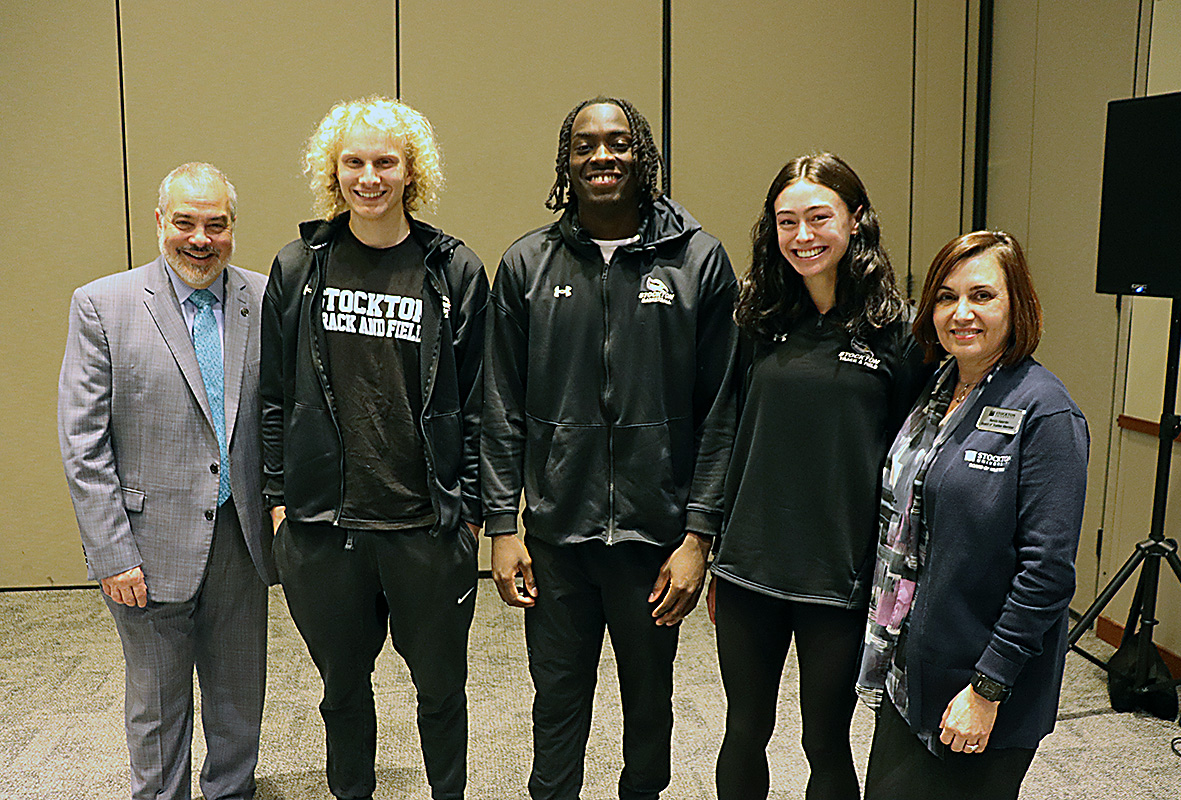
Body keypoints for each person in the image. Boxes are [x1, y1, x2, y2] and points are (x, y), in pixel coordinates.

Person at [483, 96, 738, 800]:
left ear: (643, 155)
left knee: (649, 708)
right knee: (556, 706)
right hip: (558, 538)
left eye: (619, 143)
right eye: (586, 145)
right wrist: (503, 526)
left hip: (655, 542)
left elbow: (721, 411)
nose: (603, 156)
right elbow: (499, 408)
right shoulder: (527, 265)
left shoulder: (698, 262)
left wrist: (698, 537)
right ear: (566, 162)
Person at [261, 96, 487, 800]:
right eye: (353, 162)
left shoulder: (452, 269)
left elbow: (481, 403)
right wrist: (278, 502)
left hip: (426, 525)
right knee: (342, 693)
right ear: (333, 172)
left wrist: (472, 512)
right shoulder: (299, 266)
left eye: (384, 162)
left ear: (410, 171)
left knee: (442, 693)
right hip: (327, 529)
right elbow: (272, 394)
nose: (369, 176)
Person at [706, 154, 930, 800]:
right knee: (743, 729)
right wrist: (710, 542)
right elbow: (726, 430)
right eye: (786, 221)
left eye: (818, 217)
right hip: (750, 568)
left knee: (823, 741)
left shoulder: (899, 333)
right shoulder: (760, 319)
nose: (802, 235)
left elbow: (913, 459)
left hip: (839, 576)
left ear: (856, 220)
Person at [58, 163, 274, 800]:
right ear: (159, 223)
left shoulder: (266, 299)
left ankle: (232, 791)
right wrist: (111, 553)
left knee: (240, 698)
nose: (199, 239)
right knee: (156, 709)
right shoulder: (103, 304)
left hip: (242, 538)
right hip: (144, 547)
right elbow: (83, 442)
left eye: (216, 225)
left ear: (233, 228)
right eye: (185, 223)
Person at [856, 230, 1089, 800]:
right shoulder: (937, 391)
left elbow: (1048, 574)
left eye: (982, 296)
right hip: (912, 671)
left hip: (982, 687)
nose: (961, 313)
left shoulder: (1046, 412)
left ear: (1018, 306)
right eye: (945, 296)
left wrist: (986, 688)